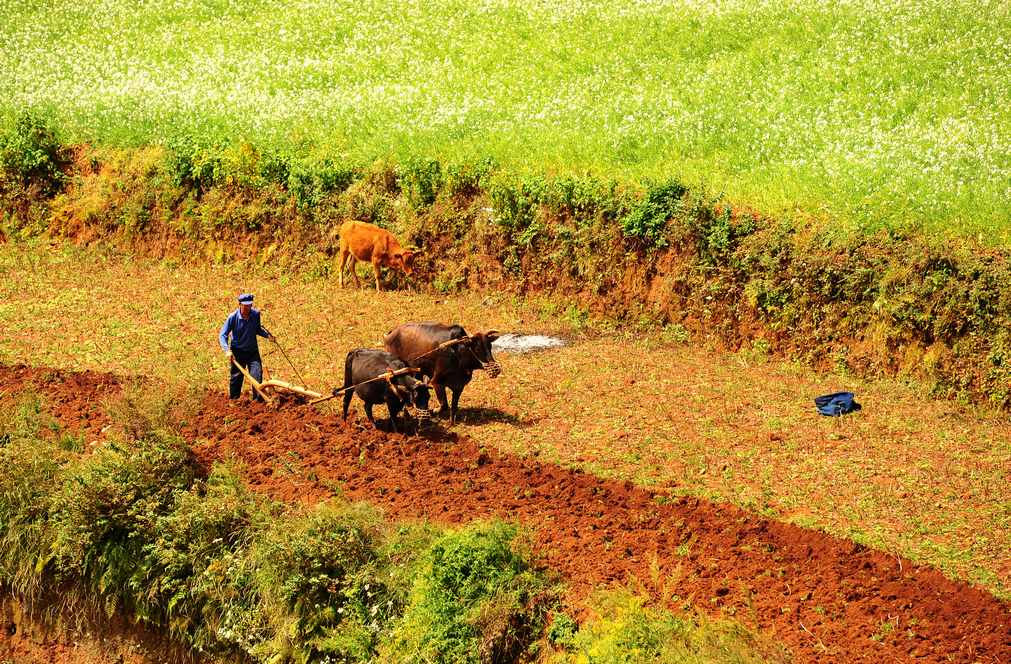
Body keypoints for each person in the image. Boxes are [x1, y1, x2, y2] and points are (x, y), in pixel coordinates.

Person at [218, 293, 275, 401]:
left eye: (250, 305)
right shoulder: (233, 317)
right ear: (239, 304)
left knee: (257, 374)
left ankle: (258, 401)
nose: (248, 308)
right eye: (245, 305)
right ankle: (234, 400)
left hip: (252, 351)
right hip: (238, 352)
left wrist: (268, 336)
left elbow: (257, 329)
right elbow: (222, 335)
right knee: (236, 376)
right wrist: (227, 350)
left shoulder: (255, 314)